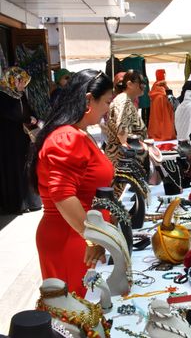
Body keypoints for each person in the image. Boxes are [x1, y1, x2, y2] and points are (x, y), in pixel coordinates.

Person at [28, 69, 114, 294]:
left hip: (78, 236)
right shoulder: (67, 137)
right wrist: (91, 239)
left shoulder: (78, 133)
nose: (107, 108)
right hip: (71, 239)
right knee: (75, 315)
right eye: (106, 102)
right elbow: (63, 195)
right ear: (88, 99)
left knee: (85, 311)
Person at [0, 67, 35, 215]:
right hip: (8, 141)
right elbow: (12, 115)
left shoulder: (20, 95)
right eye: (20, 81)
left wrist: (33, 117)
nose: (22, 85)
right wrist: (28, 119)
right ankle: (16, 204)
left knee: (25, 168)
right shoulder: (2, 96)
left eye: (23, 81)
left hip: (21, 139)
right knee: (13, 170)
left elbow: (27, 110)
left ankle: (30, 202)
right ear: (11, 81)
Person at [105, 70, 147, 165]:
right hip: (123, 159)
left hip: (121, 156)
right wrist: (127, 151)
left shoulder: (123, 99)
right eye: (141, 83)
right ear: (130, 84)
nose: (144, 86)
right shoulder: (124, 101)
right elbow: (122, 130)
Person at [147, 69, 176, 141]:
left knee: (158, 120)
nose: (164, 75)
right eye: (163, 74)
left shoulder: (156, 85)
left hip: (159, 106)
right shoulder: (159, 85)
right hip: (161, 105)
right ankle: (164, 134)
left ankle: (159, 134)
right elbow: (163, 94)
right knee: (161, 120)